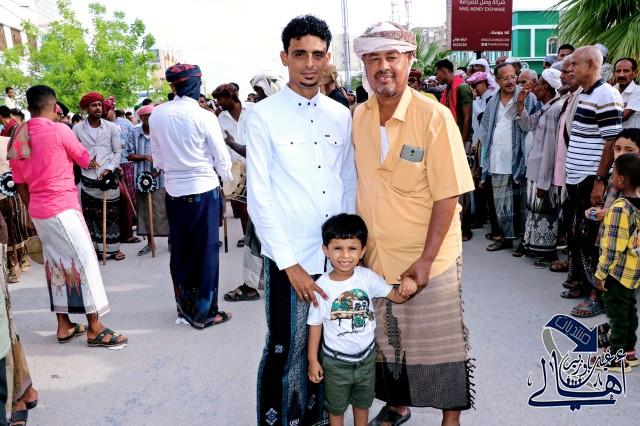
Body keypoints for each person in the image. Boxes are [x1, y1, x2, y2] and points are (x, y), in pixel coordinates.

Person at [352, 21, 475, 426]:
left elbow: (448, 195)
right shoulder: (359, 117)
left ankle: (450, 420)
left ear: (408, 61)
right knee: (388, 341)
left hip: (429, 260)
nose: (383, 66)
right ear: (365, 66)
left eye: (392, 57)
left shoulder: (433, 116)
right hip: (377, 258)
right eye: (374, 59)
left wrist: (425, 260)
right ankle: (397, 406)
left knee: (441, 344)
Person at [247, 15, 356, 426]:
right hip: (289, 255)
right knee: (286, 345)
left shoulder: (339, 115)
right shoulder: (262, 115)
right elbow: (259, 196)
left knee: (329, 344)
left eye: (317, 54)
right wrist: (288, 263)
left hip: (334, 257)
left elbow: (347, 181)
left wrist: (350, 251)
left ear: (327, 58)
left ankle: (317, 419)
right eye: (300, 54)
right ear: (284, 57)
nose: (309, 63)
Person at [9, 85, 128, 349]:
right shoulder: (60, 130)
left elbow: (19, 183)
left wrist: (32, 209)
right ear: (54, 107)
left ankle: (64, 325)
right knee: (84, 262)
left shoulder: (18, 135)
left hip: (39, 209)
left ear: (29, 107)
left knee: (56, 266)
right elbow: (84, 159)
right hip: (62, 207)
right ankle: (95, 328)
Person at [307, 214, 416, 426]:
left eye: (352, 248)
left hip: (366, 360)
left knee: (363, 404)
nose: (345, 255)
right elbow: (315, 324)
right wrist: (313, 360)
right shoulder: (322, 287)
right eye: (337, 248)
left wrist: (408, 286)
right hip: (336, 363)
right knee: (336, 409)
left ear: (363, 251)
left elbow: (395, 296)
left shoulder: (367, 277)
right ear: (326, 250)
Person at [150, 64, 233, 329]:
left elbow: (157, 158)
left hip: (174, 192)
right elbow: (221, 158)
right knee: (206, 252)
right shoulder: (204, 116)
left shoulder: (157, 114)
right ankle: (204, 313)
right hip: (204, 190)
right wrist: (227, 180)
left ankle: (184, 308)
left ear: (173, 87)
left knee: (182, 251)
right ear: (196, 85)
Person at [562, 46, 624, 319]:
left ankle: (598, 295)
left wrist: (599, 181)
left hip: (591, 179)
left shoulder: (606, 95)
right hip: (576, 178)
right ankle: (582, 281)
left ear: (590, 65)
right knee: (575, 233)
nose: (570, 69)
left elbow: (611, 143)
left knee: (590, 238)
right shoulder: (585, 93)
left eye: (575, 64)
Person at [478, 62, 537, 254]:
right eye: (505, 78)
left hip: (520, 158)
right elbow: (486, 129)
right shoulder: (492, 101)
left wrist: (520, 105)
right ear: (497, 80)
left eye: (513, 77)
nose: (510, 81)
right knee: (501, 202)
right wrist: (485, 157)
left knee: (522, 201)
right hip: (498, 157)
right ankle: (505, 237)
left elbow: (531, 126)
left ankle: (523, 240)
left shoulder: (528, 97)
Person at [512, 68, 564, 265]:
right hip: (537, 169)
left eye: (539, 83)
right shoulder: (547, 107)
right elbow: (527, 124)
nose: (535, 87)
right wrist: (520, 104)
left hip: (544, 172)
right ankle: (534, 248)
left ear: (548, 87)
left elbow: (551, 149)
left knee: (545, 214)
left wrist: (544, 181)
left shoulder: (555, 109)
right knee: (535, 211)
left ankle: (546, 253)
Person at [594, 153, 640, 372]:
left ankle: (615, 357)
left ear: (621, 180)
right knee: (629, 310)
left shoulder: (620, 208)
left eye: (613, 175)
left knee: (617, 315)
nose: (611, 178)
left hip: (617, 273)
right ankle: (629, 351)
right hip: (634, 271)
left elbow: (613, 247)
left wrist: (601, 273)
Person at [73, 92, 126, 261]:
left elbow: (118, 151)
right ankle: (95, 249)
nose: (97, 108)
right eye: (93, 105)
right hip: (87, 177)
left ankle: (114, 249)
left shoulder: (111, 127)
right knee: (91, 216)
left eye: (99, 105)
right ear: (86, 108)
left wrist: (109, 168)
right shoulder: (77, 129)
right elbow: (74, 151)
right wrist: (84, 162)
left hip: (108, 176)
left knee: (112, 215)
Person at [436, 59, 474, 241]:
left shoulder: (462, 88)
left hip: (461, 142)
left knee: (463, 185)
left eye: (437, 73)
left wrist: (461, 142)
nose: (436, 77)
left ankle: (465, 229)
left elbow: (467, 118)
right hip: (451, 141)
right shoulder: (449, 89)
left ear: (444, 71)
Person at [126, 104, 169, 256]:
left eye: (152, 116)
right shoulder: (133, 132)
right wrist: (145, 157)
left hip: (162, 178)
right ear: (142, 118)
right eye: (147, 116)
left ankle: (172, 241)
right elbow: (128, 154)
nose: (150, 119)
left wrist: (159, 167)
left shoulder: (162, 131)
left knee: (164, 209)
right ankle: (151, 244)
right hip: (141, 179)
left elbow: (168, 152)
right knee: (145, 212)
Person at [212, 83, 249, 245]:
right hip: (234, 167)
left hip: (257, 164)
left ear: (230, 97)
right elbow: (221, 146)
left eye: (220, 99)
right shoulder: (220, 118)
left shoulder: (253, 110)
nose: (218, 103)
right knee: (241, 205)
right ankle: (247, 235)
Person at [114, 109, 139, 245]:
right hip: (115, 165)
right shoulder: (104, 125)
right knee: (125, 197)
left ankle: (129, 228)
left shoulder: (124, 124)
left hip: (122, 163)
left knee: (126, 197)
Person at [613, 57, 640, 128]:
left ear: (635, 73)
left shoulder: (638, 91)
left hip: (631, 135)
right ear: (614, 74)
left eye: (626, 71)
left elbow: (623, 116)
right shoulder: (610, 90)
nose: (621, 75)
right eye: (618, 71)